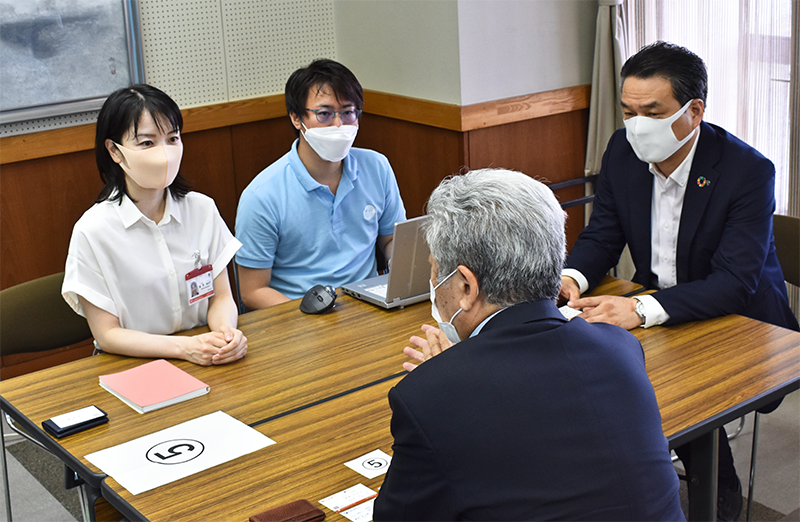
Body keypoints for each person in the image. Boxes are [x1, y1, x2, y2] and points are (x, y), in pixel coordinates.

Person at [560, 41, 799, 521]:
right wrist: (571, 278)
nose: (636, 126)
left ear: (695, 111)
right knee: (592, 368)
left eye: (652, 111)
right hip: (657, 299)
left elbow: (734, 282)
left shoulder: (746, 171)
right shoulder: (622, 152)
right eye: (628, 111)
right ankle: (648, 472)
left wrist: (641, 309)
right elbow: (603, 234)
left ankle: (718, 491)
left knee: (662, 388)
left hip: (741, 317)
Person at [373, 168, 684, 521]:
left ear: (465, 288)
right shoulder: (620, 346)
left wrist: (443, 380)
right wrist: (453, 373)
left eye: (434, 271)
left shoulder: (427, 396)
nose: (433, 282)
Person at [62, 84, 247, 366]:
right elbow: (108, 334)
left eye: (172, 139)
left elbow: (220, 298)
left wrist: (226, 335)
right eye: (147, 143)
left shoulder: (202, 209)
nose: (164, 153)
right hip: (132, 363)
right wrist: (184, 348)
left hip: (204, 354)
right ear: (114, 151)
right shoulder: (93, 230)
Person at [235, 59, 406, 309]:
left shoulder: (377, 167)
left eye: (348, 112)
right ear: (296, 118)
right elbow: (253, 290)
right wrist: (311, 320)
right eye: (324, 114)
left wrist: (402, 272)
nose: (339, 125)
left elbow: (391, 240)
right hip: (299, 317)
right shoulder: (262, 195)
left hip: (372, 307)